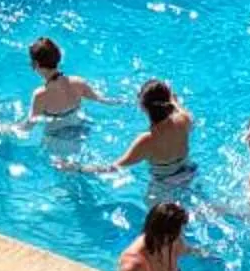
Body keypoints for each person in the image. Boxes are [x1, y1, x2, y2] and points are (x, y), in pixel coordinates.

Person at [62, 79, 195, 191]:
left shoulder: (147, 140)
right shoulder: (184, 120)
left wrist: (77, 168)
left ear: (142, 106)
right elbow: (177, 106)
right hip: (189, 174)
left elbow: (114, 167)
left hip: (164, 187)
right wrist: (173, 101)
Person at [27, 37, 108, 127]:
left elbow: (29, 126)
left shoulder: (40, 95)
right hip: (80, 128)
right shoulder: (78, 82)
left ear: (36, 64)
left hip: (56, 137)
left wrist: (10, 129)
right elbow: (102, 100)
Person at [118, 200, 193, 271]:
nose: (181, 233)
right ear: (167, 234)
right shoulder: (134, 266)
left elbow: (190, 250)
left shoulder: (174, 242)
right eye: (179, 230)